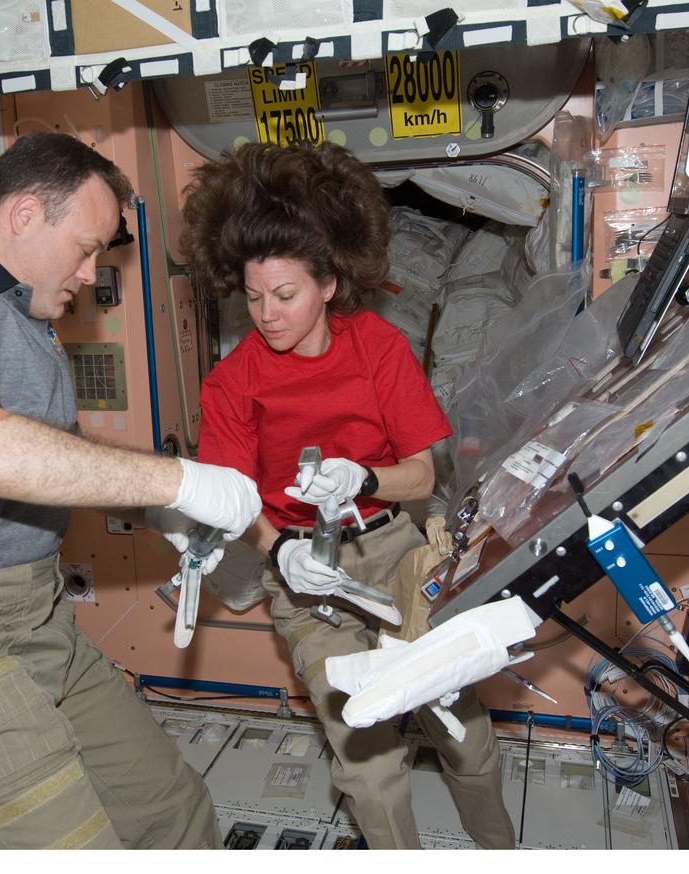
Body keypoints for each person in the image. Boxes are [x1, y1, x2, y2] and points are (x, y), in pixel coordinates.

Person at [0, 133, 261, 849]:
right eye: (87, 249)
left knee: (172, 812)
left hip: (39, 618)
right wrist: (181, 479)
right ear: (26, 214)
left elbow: (54, 457)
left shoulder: (20, 314)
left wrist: (162, 511)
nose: (91, 274)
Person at [181, 142, 516, 850]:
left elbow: (421, 476)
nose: (266, 314)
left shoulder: (378, 348)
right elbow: (231, 502)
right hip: (306, 576)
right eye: (253, 297)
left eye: (285, 295)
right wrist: (282, 549)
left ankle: (500, 851)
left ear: (330, 282)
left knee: (461, 728)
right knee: (367, 762)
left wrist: (362, 477)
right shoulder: (232, 383)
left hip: (395, 550)